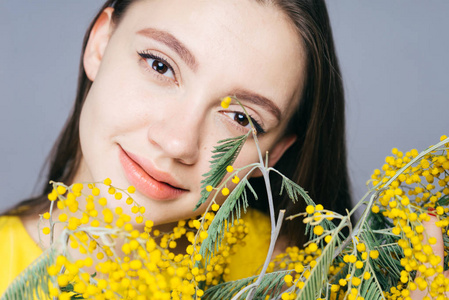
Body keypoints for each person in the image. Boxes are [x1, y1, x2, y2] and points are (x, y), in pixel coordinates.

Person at [0, 0, 354, 296]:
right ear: (101, 43)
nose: (177, 143)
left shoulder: (300, 278)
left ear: (272, 155)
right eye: (160, 65)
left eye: (241, 119)